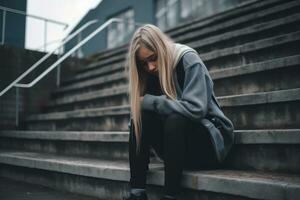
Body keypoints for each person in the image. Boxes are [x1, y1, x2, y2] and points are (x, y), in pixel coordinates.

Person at [123, 24, 234, 200]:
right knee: (140, 117)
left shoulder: (187, 59)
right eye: (143, 64)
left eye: (153, 58)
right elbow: (141, 125)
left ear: (161, 47)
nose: (150, 67)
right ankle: (137, 193)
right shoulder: (150, 74)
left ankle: (171, 195)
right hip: (176, 150)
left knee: (175, 117)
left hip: (209, 145)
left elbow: (195, 109)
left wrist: (151, 102)